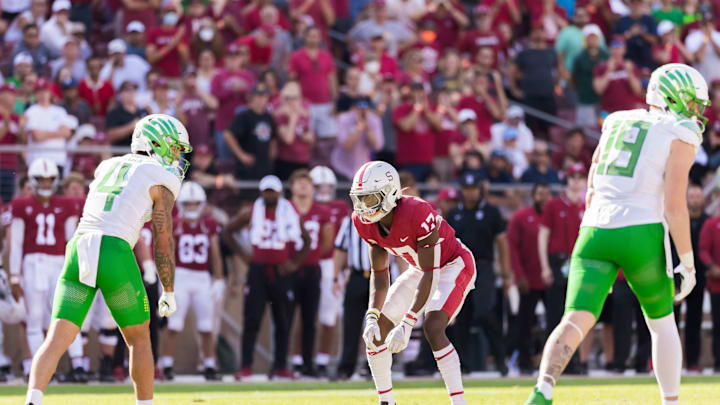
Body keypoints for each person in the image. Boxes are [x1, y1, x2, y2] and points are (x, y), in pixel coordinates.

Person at [525, 63, 710, 405]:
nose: (696, 111)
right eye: (691, 102)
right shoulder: (679, 131)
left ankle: (543, 389)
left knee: (575, 318)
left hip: (594, 230)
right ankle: (671, 402)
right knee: (661, 321)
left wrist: (593, 238)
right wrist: (687, 262)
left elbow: (592, 184)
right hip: (640, 231)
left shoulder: (615, 120)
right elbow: (674, 206)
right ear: (672, 96)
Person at [23, 114, 192, 405]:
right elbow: (163, 239)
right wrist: (169, 289)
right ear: (154, 143)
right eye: (174, 147)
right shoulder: (160, 176)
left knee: (56, 337)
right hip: (113, 251)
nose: (177, 156)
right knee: (139, 338)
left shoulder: (107, 166)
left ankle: (32, 400)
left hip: (78, 248)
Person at [351, 160, 477, 405]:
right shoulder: (362, 222)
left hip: (453, 265)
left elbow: (432, 272)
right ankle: (386, 401)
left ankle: (459, 402)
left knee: (433, 326)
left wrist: (408, 323)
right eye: (360, 199)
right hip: (421, 268)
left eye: (370, 198)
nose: (363, 207)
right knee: (376, 334)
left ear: (389, 193)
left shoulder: (418, 211)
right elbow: (379, 275)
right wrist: (372, 315)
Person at [221, 175, 310, 380]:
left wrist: (294, 263)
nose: (269, 195)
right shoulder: (252, 212)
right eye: (266, 191)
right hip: (258, 270)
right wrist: (244, 256)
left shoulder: (289, 212)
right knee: (252, 318)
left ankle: (280, 366)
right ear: (261, 192)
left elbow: (306, 240)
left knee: (283, 320)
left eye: (273, 191)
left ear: (279, 192)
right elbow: (227, 231)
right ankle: (246, 366)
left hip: (281, 270)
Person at [8, 158, 86, 382]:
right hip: (33, 263)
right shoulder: (22, 206)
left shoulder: (66, 205)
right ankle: (38, 368)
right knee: (35, 320)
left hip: (59, 263)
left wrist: (78, 270)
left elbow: (73, 241)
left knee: (67, 314)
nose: (45, 184)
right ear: (32, 180)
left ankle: (78, 364)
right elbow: (16, 244)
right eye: (41, 180)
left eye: (49, 179)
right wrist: (14, 276)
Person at [446, 172, 511, 375]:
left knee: (485, 311)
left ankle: (500, 359)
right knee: (461, 316)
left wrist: (506, 273)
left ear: (479, 190)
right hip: (459, 269)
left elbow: (502, 243)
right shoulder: (453, 214)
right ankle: (462, 364)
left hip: (483, 267)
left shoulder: (491, 213)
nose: (470, 194)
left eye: (473, 189)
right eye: (466, 189)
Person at [158, 182, 223, 381]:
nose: (193, 207)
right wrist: (166, 283)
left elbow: (215, 254)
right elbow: (168, 254)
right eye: (189, 204)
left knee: (206, 326)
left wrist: (218, 278)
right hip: (182, 277)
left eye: (196, 204)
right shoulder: (175, 224)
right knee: (174, 324)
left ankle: (209, 364)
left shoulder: (208, 224)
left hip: (203, 278)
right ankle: (167, 364)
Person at [288, 169, 333, 377]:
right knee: (288, 317)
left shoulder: (321, 211)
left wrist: (309, 257)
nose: (303, 185)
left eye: (306, 181)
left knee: (311, 317)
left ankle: (309, 362)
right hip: (289, 268)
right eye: (299, 181)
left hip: (313, 267)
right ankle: (291, 361)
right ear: (292, 186)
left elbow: (326, 243)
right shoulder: (285, 208)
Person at [507, 183, 552, 374]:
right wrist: (519, 276)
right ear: (533, 196)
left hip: (551, 280)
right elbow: (512, 248)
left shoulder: (553, 217)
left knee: (554, 322)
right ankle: (524, 362)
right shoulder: (521, 217)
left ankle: (551, 361)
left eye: (546, 194)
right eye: (539, 194)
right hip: (529, 280)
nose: (543, 198)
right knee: (524, 323)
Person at [309, 165, 349, 377]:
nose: (324, 190)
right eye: (319, 186)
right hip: (311, 263)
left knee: (330, 316)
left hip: (333, 264)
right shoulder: (306, 205)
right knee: (306, 316)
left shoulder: (340, 207)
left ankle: (323, 360)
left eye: (328, 186)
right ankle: (301, 360)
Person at [671, 184, 707, 372]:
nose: (694, 199)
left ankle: (693, 362)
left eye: (697, 196)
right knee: (672, 323)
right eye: (691, 196)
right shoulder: (677, 220)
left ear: (703, 199)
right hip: (677, 278)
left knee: (695, 322)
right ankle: (672, 363)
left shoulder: (708, 221)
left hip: (699, 280)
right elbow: (672, 252)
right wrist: (676, 283)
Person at [333, 213, 372, 380]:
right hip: (356, 276)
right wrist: (335, 277)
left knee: (379, 325)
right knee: (351, 325)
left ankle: (374, 368)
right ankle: (346, 368)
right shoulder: (349, 221)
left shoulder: (385, 218)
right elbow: (341, 249)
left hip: (380, 277)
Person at [223, 84, 276, 180]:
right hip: (247, 168)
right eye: (258, 96)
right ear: (252, 98)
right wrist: (241, 155)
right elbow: (228, 134)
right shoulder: (244, 116)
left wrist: (271, 156)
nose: (261, 100)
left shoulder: (269, 117)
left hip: (264, 167)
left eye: (264, 96)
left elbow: (273, 138)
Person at [24, 78, 75, 173]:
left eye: (45, 91)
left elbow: (67, 133)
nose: (43, 94)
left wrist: (45, 134)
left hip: (57, 159)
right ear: (35, 94)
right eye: (39, 91)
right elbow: (37, 137)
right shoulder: (31, 111)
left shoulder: (60, 111)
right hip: (37, 159)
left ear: (50, 92)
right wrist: (58, 133)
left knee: (58, 187)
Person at [332, 96, 384, 181]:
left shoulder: (374, 120)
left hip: (362, 170)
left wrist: (367, 128)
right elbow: (346, 145)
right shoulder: (343, 119)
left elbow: (377, 146)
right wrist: (358, 128)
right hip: (342, 168)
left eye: (365, 108)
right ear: (353, 108)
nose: (362, 112)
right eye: (359, 108)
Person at [698, 196, 720, 372]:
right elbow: (703, 249)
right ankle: (718, 362)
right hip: (716, 286)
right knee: (718, 325)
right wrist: (713, 267)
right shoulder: (712, 225)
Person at [105, 81, 149, 147]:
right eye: (127, 90)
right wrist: (130, 127)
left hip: (142, 152)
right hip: (122, 152)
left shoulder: (143, 111)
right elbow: (111, 135)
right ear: (120, 93)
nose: (131, 92)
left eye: (134, 89)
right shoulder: (114, 113)